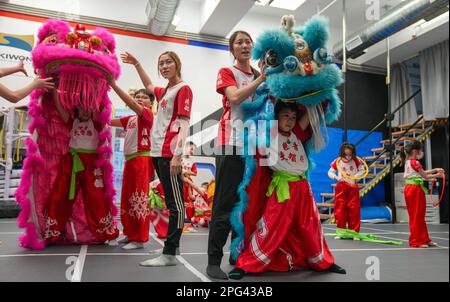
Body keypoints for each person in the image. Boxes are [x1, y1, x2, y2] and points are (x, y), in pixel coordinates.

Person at [228, 102, 346, 280]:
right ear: (276, 117)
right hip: (283, 187)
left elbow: (314, 107)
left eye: (293, 117)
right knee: (270, 227)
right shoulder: (268, 133)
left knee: (312, 227)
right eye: (285, 116)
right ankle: (246, 264)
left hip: (303, 187)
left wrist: (320, 92)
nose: (290, 120)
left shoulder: (297, 133)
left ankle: (323, 262)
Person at [121, 51, 193, 266]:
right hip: (157, 152)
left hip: (169, 153)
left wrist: (177, 155)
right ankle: (171, 250)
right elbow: (150, 86)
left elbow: (184, 124)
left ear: (177, 64)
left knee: (175, 204)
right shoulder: (166, 91)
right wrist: (137, 64)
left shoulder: (183, 89)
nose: (164, 66)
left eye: (168, 62)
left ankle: (170, 253)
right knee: (171, 202)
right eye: (160, 63)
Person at [207, 30, 266, 279]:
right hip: (231, 143)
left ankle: (237, 253)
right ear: (232, 49)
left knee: (246, 206)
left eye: (248, 41)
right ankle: (212, 261)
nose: (244, 45)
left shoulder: (259, 74)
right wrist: (261, 78)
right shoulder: (227, 72)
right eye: (239, 42)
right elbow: (235, 97)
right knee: (224, 203)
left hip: (254, 147)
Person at [44, 89, 119, 244]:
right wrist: (54, 90)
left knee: (97, 197)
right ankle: (52, 233)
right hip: (71, 163)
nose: (85, 111)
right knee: (59, 196)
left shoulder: (97, 122)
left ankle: (106, 232)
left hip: (92, 164)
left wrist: (98, 85)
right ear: (76, 109)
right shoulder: (72, 120)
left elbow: (100, 105)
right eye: (82, 107)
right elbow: (59, 106)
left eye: (88, 107)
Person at [109, 86, 155, 250]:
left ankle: (139, 238)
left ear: (151, 103)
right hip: (130, 161)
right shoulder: (130, 119)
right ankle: (129, 233)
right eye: (137, 96)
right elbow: (106, 121)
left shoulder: (147, 115)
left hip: (141, 160)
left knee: (139, 199)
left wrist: (113, 84)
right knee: (127, 199)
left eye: (144, 97)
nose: (140, 99)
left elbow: (131, 103)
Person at [400, 140, 445, 248]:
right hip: (414, 189)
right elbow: (424, 176)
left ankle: (424, 238)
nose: (422, 153)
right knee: (416, 215)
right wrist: (437, 175)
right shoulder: (415, 162)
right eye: (421, 150)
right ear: (416, 151)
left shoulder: (409, 161)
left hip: (412, 188)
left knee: (419, 215)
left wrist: (434, 170)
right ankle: (416, 241)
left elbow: (421, 173)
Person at [328, 142, 365, 236]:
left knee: (354, 209)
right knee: (340, 209)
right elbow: (330, 172)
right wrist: (337, 178)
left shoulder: (356, 160)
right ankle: (341, 232)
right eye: (346, 155)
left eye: (350, 155)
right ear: (342, 153)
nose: (348, 157)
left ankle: (354, 233)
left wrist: (354, 177)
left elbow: (362, 171)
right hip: (341, 186)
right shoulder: (337, 161)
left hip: (352, 186)